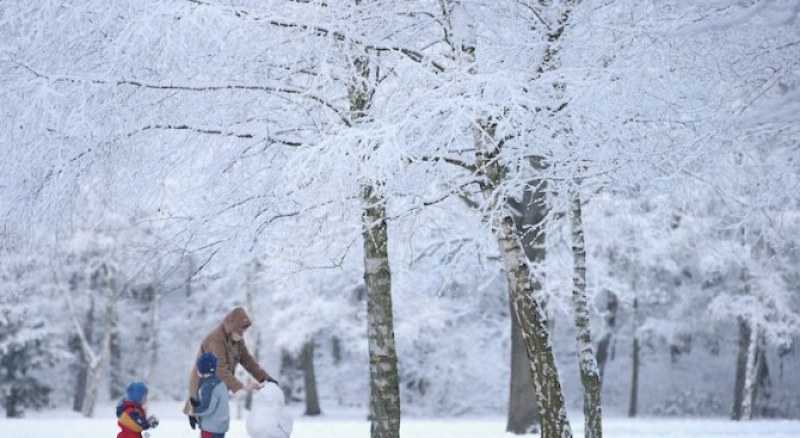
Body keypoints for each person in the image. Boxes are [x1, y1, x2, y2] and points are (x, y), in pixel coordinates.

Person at [185, 307, 278, 429]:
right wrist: (242, 387)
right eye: (240, 332)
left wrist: (265, 378)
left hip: (217, 388)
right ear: (232, 327)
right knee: (210, 429)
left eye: (244, 332)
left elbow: (248, 361)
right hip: (204, 390)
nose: (242, 335)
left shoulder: (237, 340)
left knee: (216, 428)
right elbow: (220, 369)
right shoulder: (216, 340)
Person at [192, 352, 229, 438]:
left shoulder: (209, 385)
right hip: (219, 427)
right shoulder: (218, 382)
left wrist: (194, 411)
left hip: (211, 429)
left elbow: (207, 408)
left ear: (203, 369)